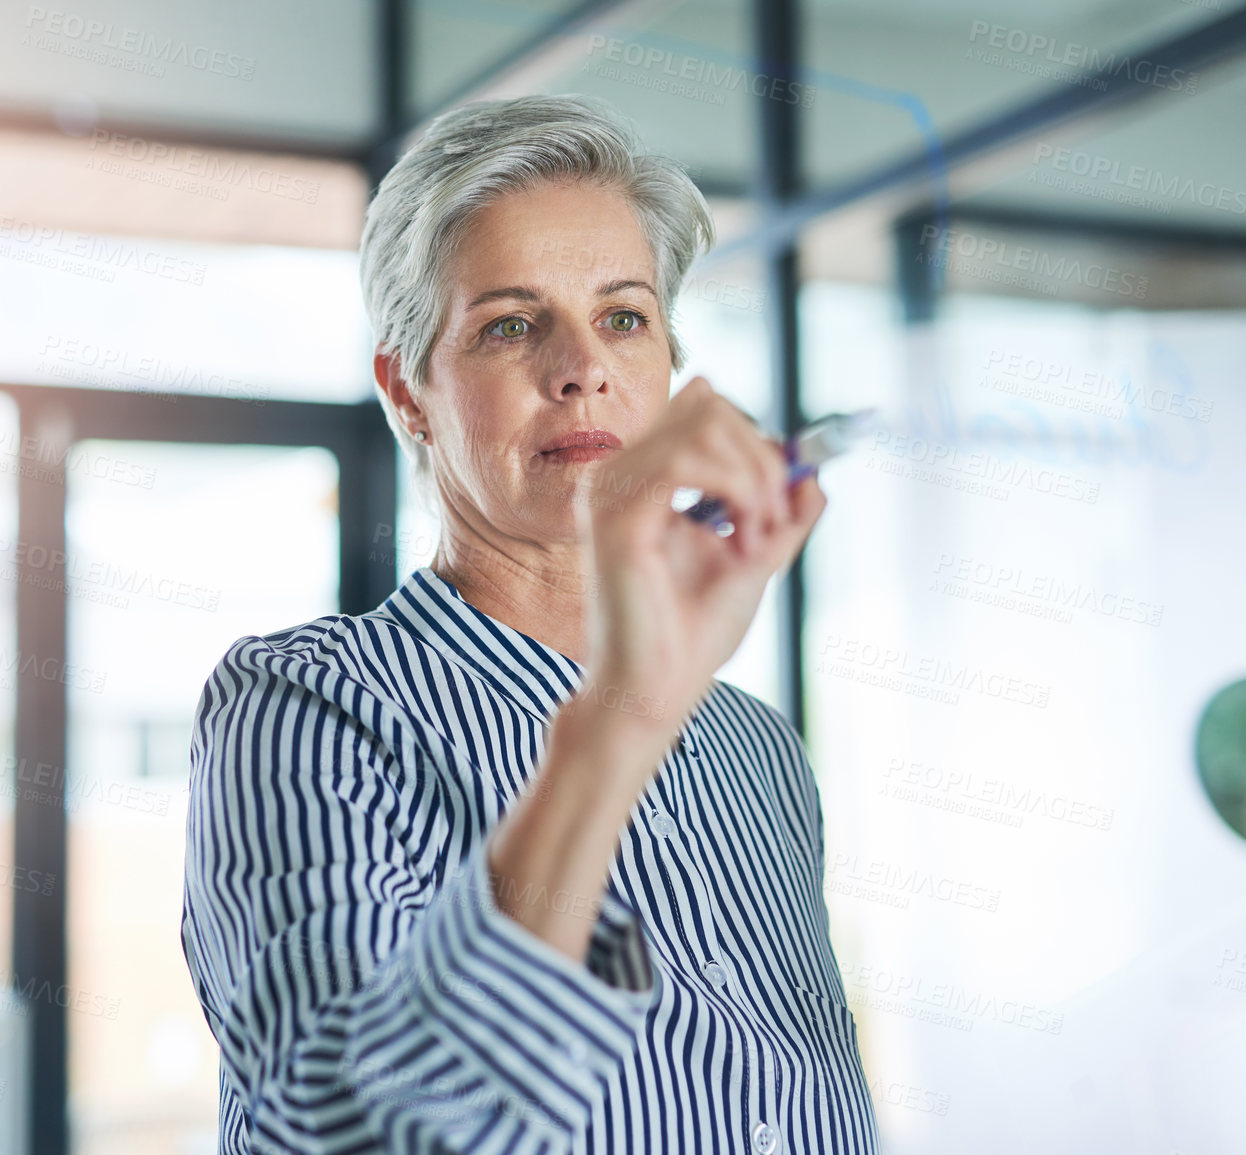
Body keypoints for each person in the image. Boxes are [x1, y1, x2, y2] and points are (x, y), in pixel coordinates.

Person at [180, 93, 878, 1154]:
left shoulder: (757, 752)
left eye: (624, 317)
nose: (581, 366)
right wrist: (614, 731)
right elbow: (345, 1132)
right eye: (512, 323)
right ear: (407, 391)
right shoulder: (307, 708)